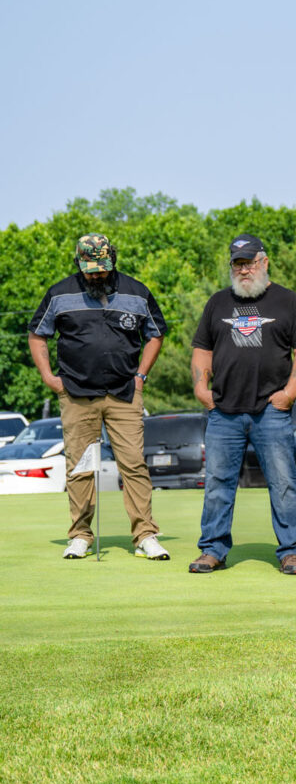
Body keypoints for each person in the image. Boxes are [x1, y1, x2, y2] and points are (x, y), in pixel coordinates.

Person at [28, 234, 169, 560]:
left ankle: (145, 535)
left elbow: (155, 334)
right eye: (89, 269)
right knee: (79, 466)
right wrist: (49, 378)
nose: (96, 275)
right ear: (78, 263)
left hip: (124, 393)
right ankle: (80, 535)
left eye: (102, 268)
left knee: (133, 464)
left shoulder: (137, 291)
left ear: (112, 260)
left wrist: (141, 376)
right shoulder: (59, 293)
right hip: (76, 394)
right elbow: (37, 335)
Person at [188, 234, 296, 575]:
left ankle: (291, 552)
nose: (244, 270)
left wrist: (290, 392)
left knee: (284, 482)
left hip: (271, 410)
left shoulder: (287, 301)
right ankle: (213, 550)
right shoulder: (217, 303)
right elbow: (202, 349)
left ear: (264, 262)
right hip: (223, 411)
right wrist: (201, 389)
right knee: (218, 484)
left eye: (250, 262)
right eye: (238, 264)